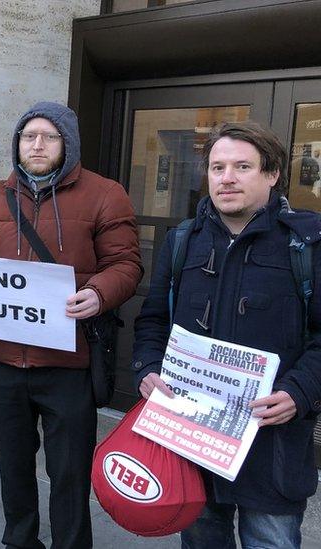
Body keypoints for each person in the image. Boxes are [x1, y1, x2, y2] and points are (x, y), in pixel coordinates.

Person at [0, 102, 142, 548]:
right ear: (17, 144)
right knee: (12, 463)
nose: (38, 144)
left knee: (68, 472)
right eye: (29, 136)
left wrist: (100, 293)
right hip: (4, 362)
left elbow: (125, 263)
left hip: (68, 364)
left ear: (67, 143)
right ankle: (20, 539)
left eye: (49, 136)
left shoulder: (105, 193)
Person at [134, 121, 321, 548]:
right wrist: (145, 368)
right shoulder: (183, 240)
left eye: (242, 166)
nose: (227, 178)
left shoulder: (307, 245)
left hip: (270, 447)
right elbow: (152, 321)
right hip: (193, 442)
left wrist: (300, 390)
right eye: (217, 168)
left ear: (272, 174)